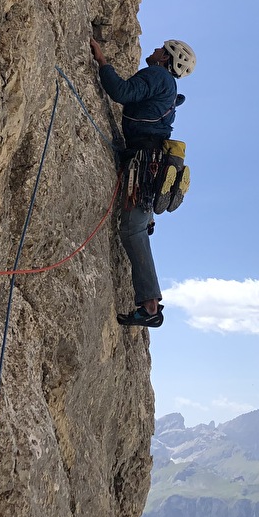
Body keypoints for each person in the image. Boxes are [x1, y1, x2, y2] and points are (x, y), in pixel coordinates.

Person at [89, 36, 196, 327]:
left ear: (166, 59)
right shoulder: (168, 85)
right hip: (152, 161)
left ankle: (150, 305)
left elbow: (121, 92)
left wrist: (102, 61)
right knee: (139, 226)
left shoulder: (157, 75)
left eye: (161, 49)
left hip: (145, 159)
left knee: (131, 231)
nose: (154, 50)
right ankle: (148, 219)